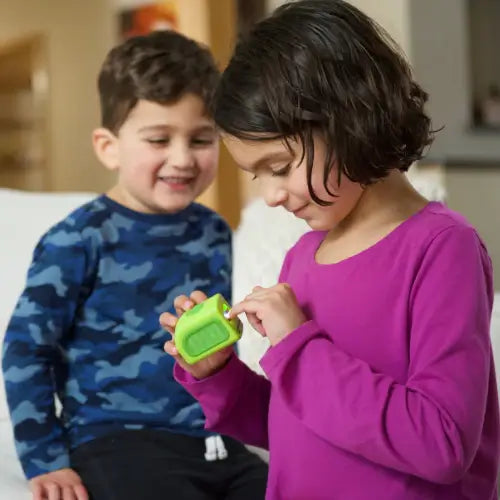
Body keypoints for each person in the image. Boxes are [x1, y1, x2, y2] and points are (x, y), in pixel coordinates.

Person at [161, 1, 500, 499]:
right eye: (259, 176)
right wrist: (220, 376)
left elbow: (442, 442)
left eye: (279, 167)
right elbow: (299, 424)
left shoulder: (440, 248)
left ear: (349, 118)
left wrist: (298, 346)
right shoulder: (302, 257)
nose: (271, 195)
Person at [3, 30, 267, 500]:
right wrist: (45, 460)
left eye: (201, 138)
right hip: (116, 440)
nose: (183, 158)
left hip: (215, 439)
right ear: (109, 147)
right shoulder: (77, 238)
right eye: (159, 139)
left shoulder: (215, 231)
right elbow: (26, 350)